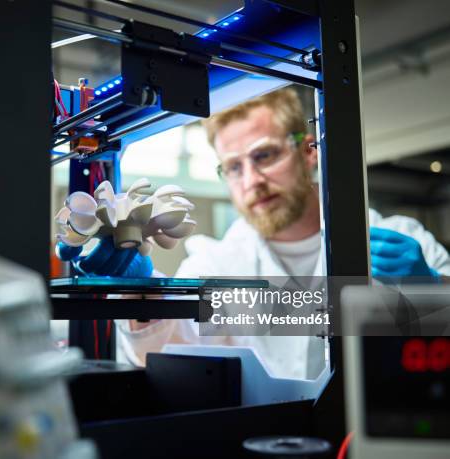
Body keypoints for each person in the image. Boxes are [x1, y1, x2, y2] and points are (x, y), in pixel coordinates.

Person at [58, 88, 450, 379]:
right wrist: (141, 298)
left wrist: (430, 293)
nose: (252, 181)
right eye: (233, 167)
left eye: (264, 156)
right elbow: (167, 355)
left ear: (309, 150)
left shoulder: (397, 237)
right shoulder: (217, 263)